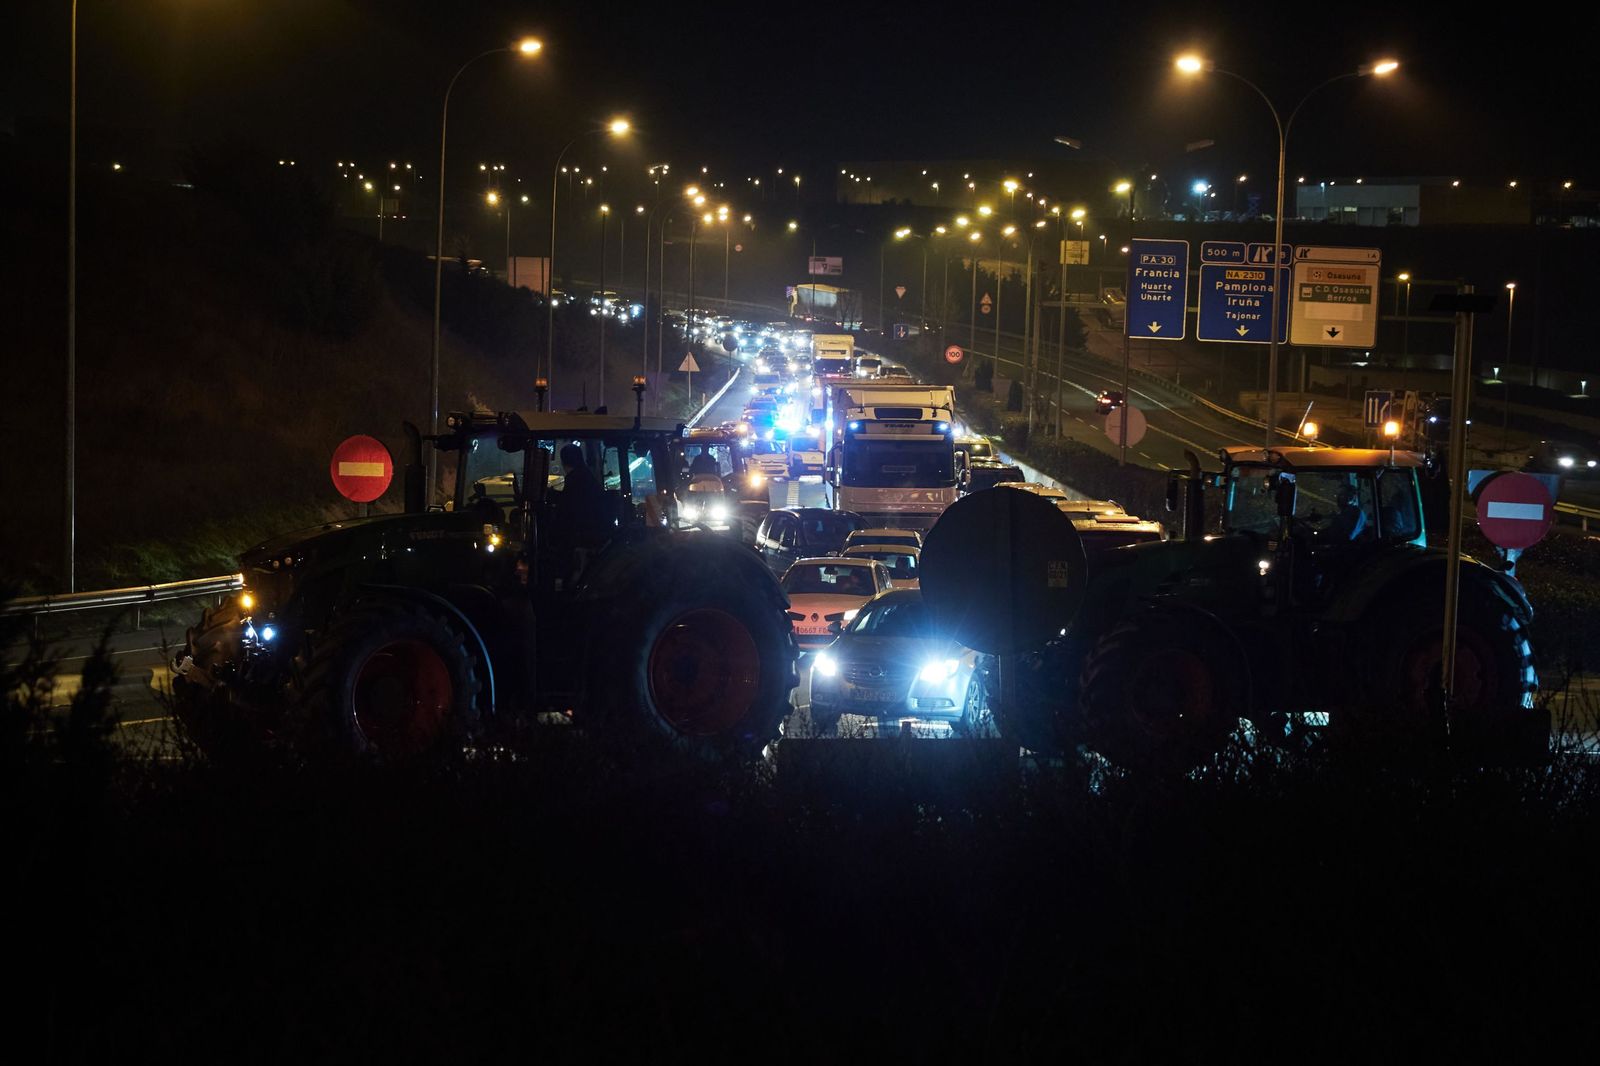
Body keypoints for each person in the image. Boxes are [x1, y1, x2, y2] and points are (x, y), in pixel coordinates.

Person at [554, 442, 610, 547]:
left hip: (582, 540)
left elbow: (567, 511)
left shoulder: (574, 480)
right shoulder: (588, 477)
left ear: (563, 462)